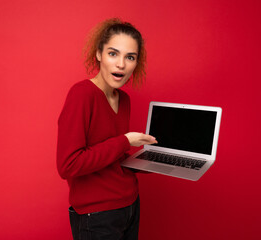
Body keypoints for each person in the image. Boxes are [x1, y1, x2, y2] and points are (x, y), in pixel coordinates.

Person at [56, 18, 157, 240]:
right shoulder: (82, 94)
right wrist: (125, 140)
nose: (121, 64)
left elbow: (111, 155)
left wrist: (151, 161)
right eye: (113, 53)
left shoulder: (124, 99)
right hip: (98, 214)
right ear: (99, 54)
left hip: (130, 204)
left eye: (130, 57)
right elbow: (68, 165)